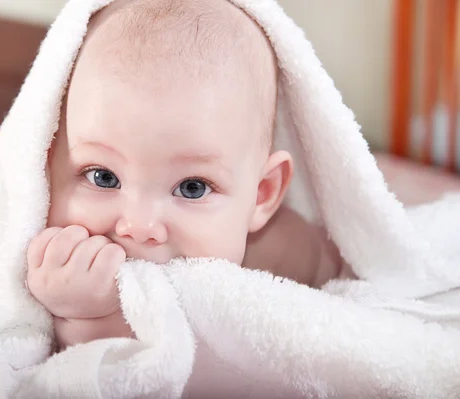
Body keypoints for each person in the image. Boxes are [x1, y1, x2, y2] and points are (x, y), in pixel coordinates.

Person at [26, 0, 350, 350]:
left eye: (192, 188)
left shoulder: (283, 252)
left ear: (262, 194)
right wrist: (67, 306)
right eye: (103, 177)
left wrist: (88, 321)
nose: (140, 226)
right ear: (45, 164)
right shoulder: (32, 259)